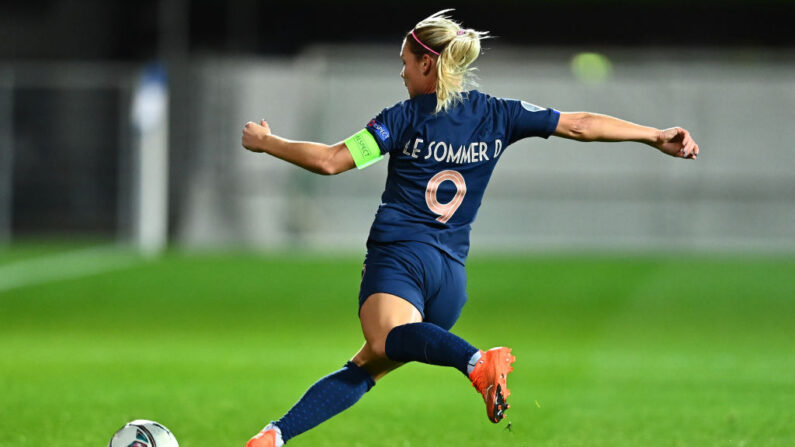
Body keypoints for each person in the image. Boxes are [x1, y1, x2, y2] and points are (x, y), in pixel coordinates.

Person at [240, 10, 699, 447]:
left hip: (400, 259)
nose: (401, 73)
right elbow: (579, 125)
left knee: (381, 340)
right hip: (450, 281)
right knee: (368, 364)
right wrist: (653, 135)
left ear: (427, 62)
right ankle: (274, 436)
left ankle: (476, 360)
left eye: (405, 63)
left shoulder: (401, 119)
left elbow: (329, 161)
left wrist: (267, 143)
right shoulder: (498, 113)